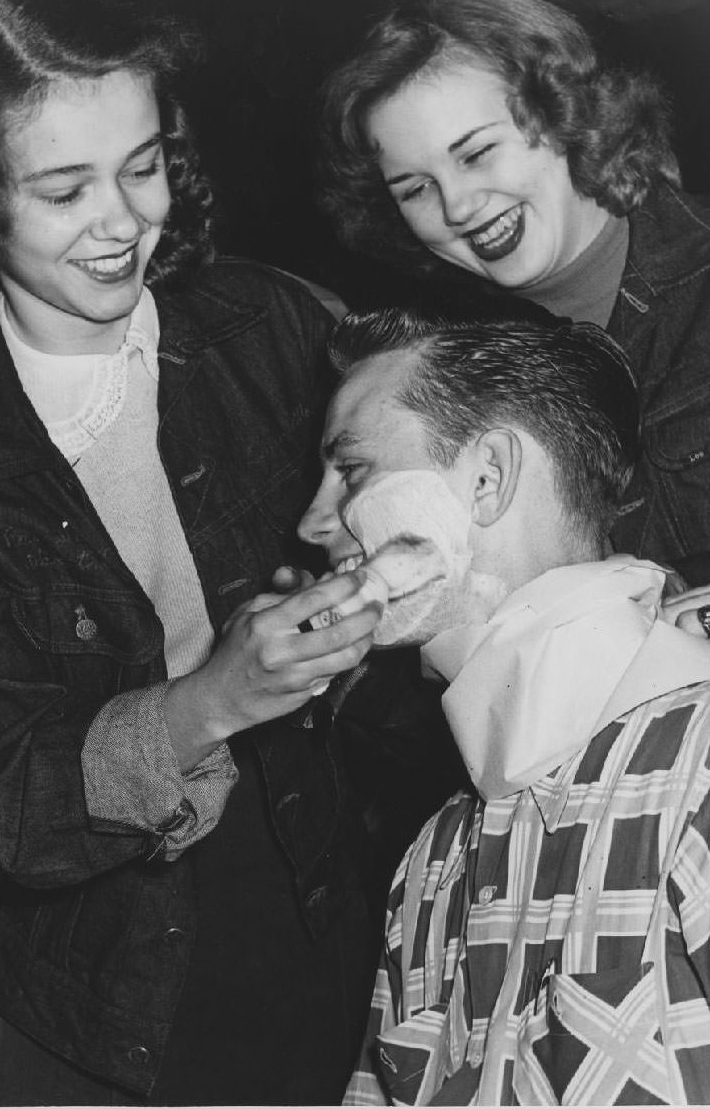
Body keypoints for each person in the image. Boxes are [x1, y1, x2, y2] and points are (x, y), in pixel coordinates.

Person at [0, 0, 394, 1105]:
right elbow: (5, 805)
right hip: (110, 982)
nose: (122, 222)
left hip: (337, 882)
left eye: (142, 167)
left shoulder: (275, 323)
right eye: (63, 190)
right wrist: (213, 701)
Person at [296, 305, 710, 1104]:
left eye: (352, 471)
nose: (312, 523)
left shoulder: (697, 766)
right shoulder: (432, 865)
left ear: (486, 477)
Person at [318, 0, 710, 598]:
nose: (457, 206)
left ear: (564, 116)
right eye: (416, 189)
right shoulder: (454, 362)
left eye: (476, 153)